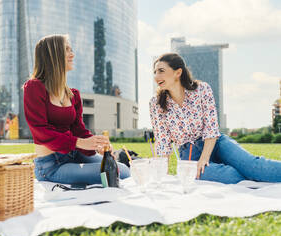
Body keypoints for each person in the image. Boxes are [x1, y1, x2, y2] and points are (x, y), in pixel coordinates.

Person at [149, 53, 281, 184]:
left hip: (215, 142)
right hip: (190, 154)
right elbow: (163, 141)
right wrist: (163, 175)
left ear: (178, 72)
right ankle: (248, 175)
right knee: (230, 177)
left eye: (161, 71)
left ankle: (252, 173)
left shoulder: (202, 89)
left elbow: (211, 127)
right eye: (155, 72)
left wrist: (204, 158)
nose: (156, 76)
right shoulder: (156, 103)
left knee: (253, 166)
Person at [23, 34, 130, 185]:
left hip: (75, 154)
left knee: (123, 169)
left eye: (70, 49)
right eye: (66, 50)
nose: (72, 54)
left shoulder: (73, 95)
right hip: (51, 166)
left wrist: (96, 145)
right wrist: (78, 143)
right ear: (53, 55)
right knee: (115, 172)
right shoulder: (34, 87)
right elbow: (40, 131)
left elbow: (78, 130)